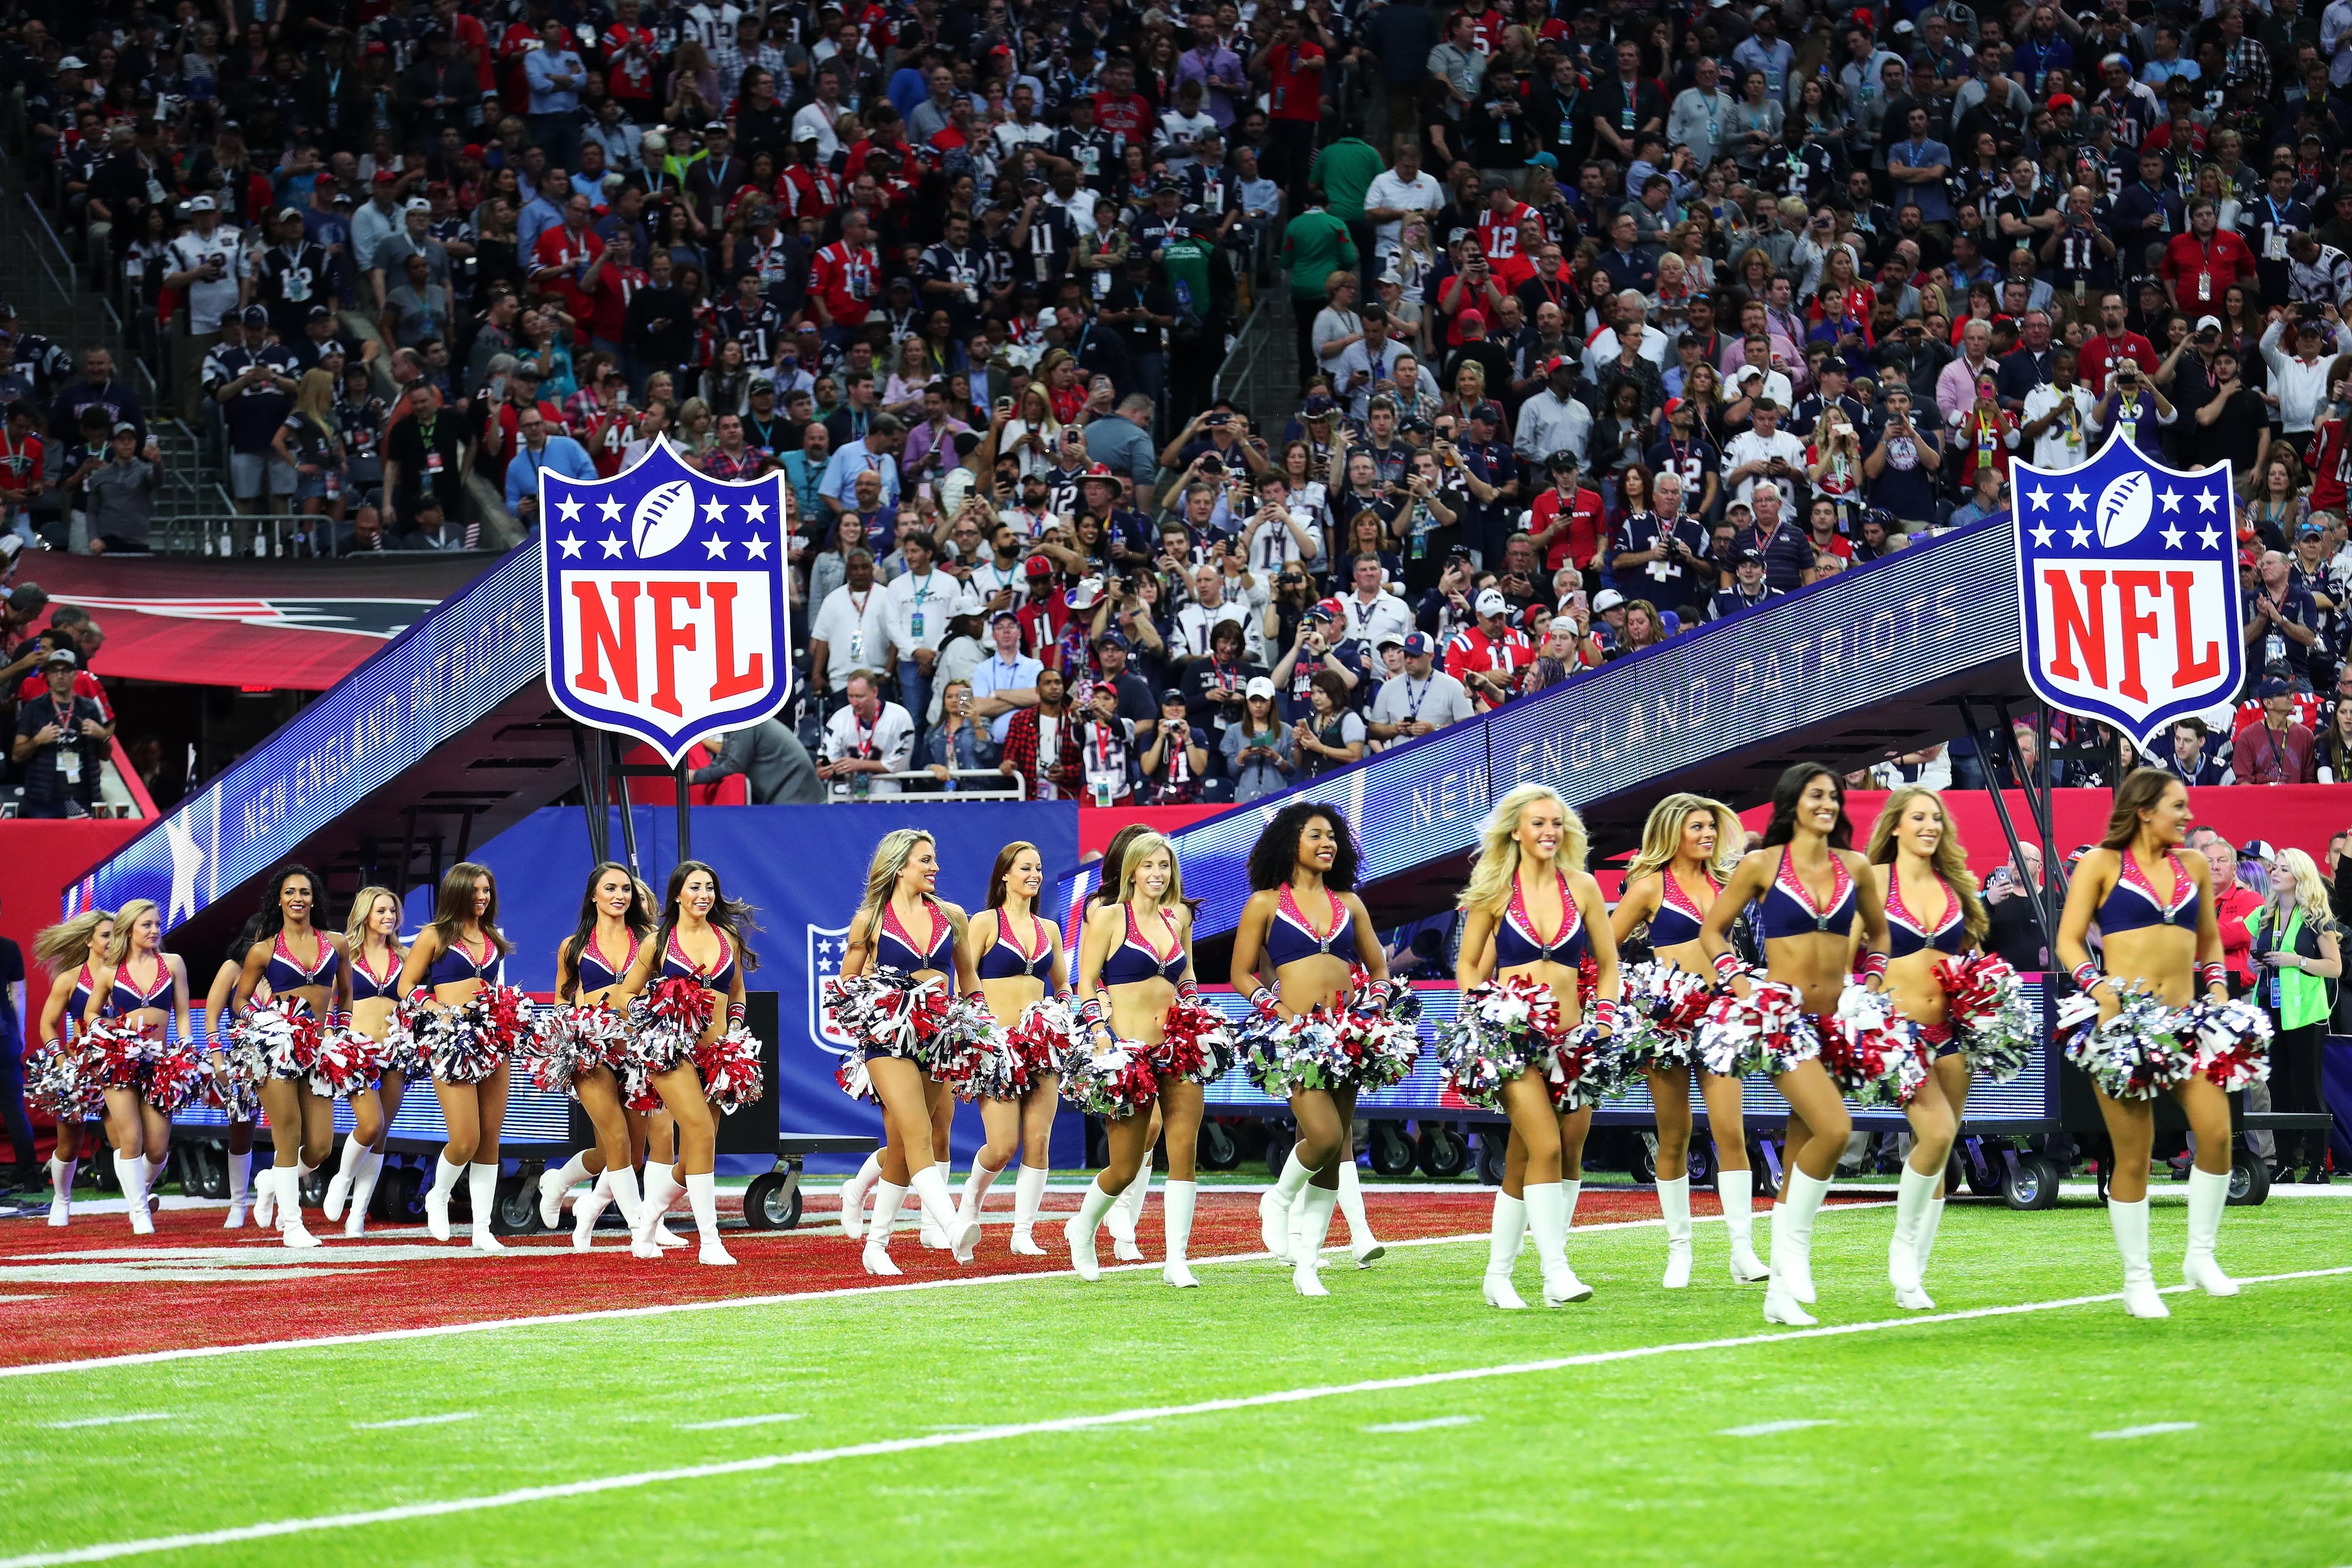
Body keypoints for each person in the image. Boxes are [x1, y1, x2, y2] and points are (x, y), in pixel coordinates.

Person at [1697, 764, 1883, 1327]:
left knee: (1805, 1148)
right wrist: (1741, 983)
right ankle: (1795, 1257)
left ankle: (1779, 1291)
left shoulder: (1855, 867)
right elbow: (1713, 931)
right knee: (1836, 1128)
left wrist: (1868, 987)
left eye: (1833, 796)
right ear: (1791, 803)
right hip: (1783, 1021)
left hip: (1836, 1022)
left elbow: (1880, 936)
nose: (1827, 804)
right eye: (1815, 795)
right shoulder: (1762, 864)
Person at [2055, 771, 2247, 1317]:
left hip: (2186, 1021)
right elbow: (2068, 940)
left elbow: (2209, 941)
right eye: (2177, 807)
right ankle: (2138, 1279)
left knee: (2216, 1134)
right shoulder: (2102, 863)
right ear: (2144, 810)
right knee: (2133, 1156)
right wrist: (2096, 986)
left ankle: (2200, 1256)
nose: (2187, 816)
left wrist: (2216, 985)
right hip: (2124, 1026)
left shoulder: (2194, 866)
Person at [1446, 785, 1623, 1309]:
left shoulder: (1584, 886)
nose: (1550, 832)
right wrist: (1492, 1002)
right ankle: (1556, 1271)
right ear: (1516, 831)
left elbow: (1609, 965)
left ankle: (1498, 1277)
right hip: (1510, 1039)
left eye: (1557, 823)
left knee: (1547, 1154)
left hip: (1572, 1041)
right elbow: (1466, 966)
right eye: (1539, 823)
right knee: (1544, 1145)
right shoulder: (1495, 890)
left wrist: (1605, 1018)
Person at [1231, 804, 1405, 1295]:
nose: (1327, 843)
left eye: (1333, 836)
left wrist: (1372, 1008)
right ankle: (1278, 1200)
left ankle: (1308, 1262)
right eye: (1316, 836)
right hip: (1294, 1037)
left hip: (1346, 1037)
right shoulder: (1265, 903)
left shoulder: (1349, 901)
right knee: (1325, 1137)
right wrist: (1279, 1011)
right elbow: (1241, 973)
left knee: (1334, 1154)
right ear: (1292, 843)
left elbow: (1379, 968)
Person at [1609, 794, 1768, 1289]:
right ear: (1673, 832)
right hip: (1668, 1021)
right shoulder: (1649, 886)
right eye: (1696, 827)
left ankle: (1743, 1251)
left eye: (1710, 828)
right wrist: (1631, 997)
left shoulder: (1726, 883)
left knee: (1731, 1133)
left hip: (1720, 1018)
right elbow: (1602, 948)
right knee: (1674, 1136)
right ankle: (1680, 1252)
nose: (1706, 835)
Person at [1066, 831, 1218, 1285]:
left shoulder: (1176, 921)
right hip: (1126, 1054)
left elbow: (1187, 977)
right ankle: (1084, 1229)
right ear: (1132, 870)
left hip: (1176, 1048)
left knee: (1184, 1150)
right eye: (1149, 866)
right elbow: (1087, 982)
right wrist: (1098, 1031)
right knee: (1125, 1167)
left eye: (1165, 866)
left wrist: (1199, 1017)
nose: (1157, 874)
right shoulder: (1110, 917)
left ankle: (1176, 1260)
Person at [829, 829, 984, 1273]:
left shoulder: (952, 915)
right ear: (900, 867)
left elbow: (968, 979)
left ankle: (876, 1247)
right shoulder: (870, 919)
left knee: (903, 1144)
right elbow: (846, 985)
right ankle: (954, 1226)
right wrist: (880, 1005)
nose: (934, 868)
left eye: (934, 860)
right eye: (925, 860)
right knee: (916, 1131)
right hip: (887, 1040)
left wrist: (980, 1023)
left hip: (939, 1036)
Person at [1863, 788, 1989, 1311]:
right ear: (1895, 826)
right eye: (1918, 817)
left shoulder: (1955, 886)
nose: (1929, 825)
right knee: (1936, 1133)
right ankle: (1902, 1248)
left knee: (1937, 1149)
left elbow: (1970, 952)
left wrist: (1984, 986)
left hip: (1951, 1031)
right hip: (1899, 1031)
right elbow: (1855, 944)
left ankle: (1914, 1274)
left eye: (1936, 818)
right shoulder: (1874, 880)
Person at [608, 860, 755, 1266]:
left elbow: (738, 993)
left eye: (709, 887)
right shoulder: (659, 942)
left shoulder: (728, 937)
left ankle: (649, 1219)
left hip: (718, 1053)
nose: (703, 894)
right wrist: (652, 1012)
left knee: (693, 1156)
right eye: (695, 887)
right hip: (671, 1051)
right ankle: (711, 1242)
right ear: (677, 895)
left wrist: (736, 1029)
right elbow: (623, 995)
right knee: (699, 1130)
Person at [394, 862, 525, 1253]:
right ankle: (438, 1195)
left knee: (490, 1142)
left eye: (487, 891)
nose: (482, 898)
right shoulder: (434, 935)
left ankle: (482, 1230)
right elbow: (405, 986)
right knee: (465, 1139)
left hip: (493, 1037)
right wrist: (435, 1008)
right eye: (475, 892)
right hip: (452, 1039)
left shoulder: (491, 937)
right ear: (457, 893)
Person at [530, 864, 658, 1248]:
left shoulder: (650, 938)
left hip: (637, 1049)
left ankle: (557, 1183)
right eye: (610, 888)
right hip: (589, 1049)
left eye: (625, 889)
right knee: (617, 1138)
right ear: (593, 896)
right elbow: (560, 998)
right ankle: (640, 1230)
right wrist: (566, 1036)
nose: (619, 895)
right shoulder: (574, 946)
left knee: (626, 1155)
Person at [961, 842, 1071, 1256]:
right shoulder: (986, 922)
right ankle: (971, 1200)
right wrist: (981, 1034)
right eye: (1026, 868)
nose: (1034, 874)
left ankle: (1022, 1232)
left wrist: (1059, 1013)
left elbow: (1062, 985)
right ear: (1005, 874)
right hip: (996, 1048)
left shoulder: (1050, 929)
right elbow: (965, 985)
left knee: (1039, 1140)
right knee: (1003, 1145)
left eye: (1039, 868)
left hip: (1041, 1047)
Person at [227, 870, 344, 1249]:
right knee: (289, 1132)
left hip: (318, 1049)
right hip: (276, 1047)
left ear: (315, 899)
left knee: (321, 1146)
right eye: (290, 892)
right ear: (278, 899)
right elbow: (239, 1001)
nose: (297, 897)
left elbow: (347, 998)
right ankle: (292, 1225)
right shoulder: (264, 950)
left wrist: (336, 1033)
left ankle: (270, 1181)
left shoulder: (336, 943)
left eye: (305, 892)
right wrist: (261, 1020)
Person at [80, 899, 190, 1239]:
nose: (156, 930)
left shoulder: (173, 963)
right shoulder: (109, 972)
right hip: (120, 1059)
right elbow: (90, 1014)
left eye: (158, 924)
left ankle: (137, 1191)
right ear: (129, 929)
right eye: (147, 925)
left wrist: (186, 1049)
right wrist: (114, 1030)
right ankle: (140, 1212)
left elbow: (183, 1014)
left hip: (160, 1061)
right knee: (131, 1139)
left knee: (157, 1149)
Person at [2245, 850, 2342, 1183]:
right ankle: (2285, 1163)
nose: (2275, 873)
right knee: (2278, 1089)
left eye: (2284, 869)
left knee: (2308, 1088)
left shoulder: (2317, 918)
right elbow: (2251, 960)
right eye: (2275, 867)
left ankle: (2318, 1166)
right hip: (2271, 1009)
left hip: (2305, 1013)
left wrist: (2296, 961)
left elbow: (2335, 967)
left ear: (2299, 877)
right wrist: (2256, 963)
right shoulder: (2264, 915)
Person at [319, 887, 410, 1237]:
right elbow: (330, 1003)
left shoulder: (404, 957)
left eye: (392, 911)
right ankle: (341, 1181)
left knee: (382, 1135)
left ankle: (357, 1215)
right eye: (381, 911)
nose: (389, 917)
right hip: (357, 1050)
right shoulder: (346, 955)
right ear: (364, 915)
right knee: (370, 1126)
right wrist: (331, 1038)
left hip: (396, 1051)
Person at [26, 911, 110, 1227]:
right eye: (105, 935)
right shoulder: (70, 979)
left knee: (127, 1139)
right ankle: (61, 1199)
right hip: (79, 1068)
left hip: (117, 1069)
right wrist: (61, 1060)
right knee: (69, 1143)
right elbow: (47, 1024)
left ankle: (138, 1200)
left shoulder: (127, 974)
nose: (112, 942)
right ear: (88, 940)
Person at [12, 648, 110, 818]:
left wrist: (102, 735)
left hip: (82, 797)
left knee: (79, 845)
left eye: (65, 671)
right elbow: (16, 755)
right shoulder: (34, 708)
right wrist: (37, 740)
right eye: (54, 671)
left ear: (75, 674)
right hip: (43, 799)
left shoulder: (88, 708)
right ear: (48, 676)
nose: (60, 676)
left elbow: (106, 755)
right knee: (45, 844)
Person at [1367, 631, 1474, 743]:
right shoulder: (1389, 687)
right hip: (1402, 757)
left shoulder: (1452, 685)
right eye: (1406, 655)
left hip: (1440, 756)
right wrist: (1395, 729)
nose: (1408, 660)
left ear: (1431, 656)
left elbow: (1470, 729)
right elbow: (1373, 730)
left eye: (1415, 656)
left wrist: (1435, 729)